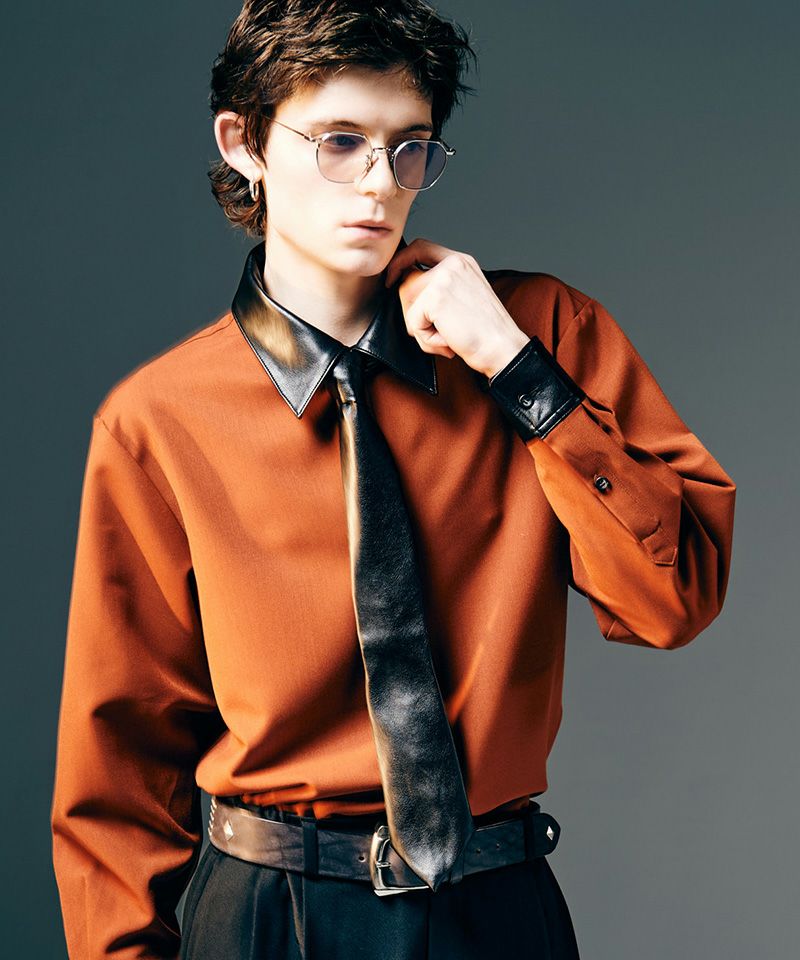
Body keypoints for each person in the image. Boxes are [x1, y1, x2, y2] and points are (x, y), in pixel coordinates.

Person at [50, 1, 737, 958]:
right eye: (340, 142)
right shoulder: (157, 421)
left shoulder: (543, 334)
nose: (380, 183)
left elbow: (676, 599)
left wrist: (517, 372)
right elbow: (119, 769)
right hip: (267, 919)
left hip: (497, 910)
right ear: (244, 144)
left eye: (408, 147)